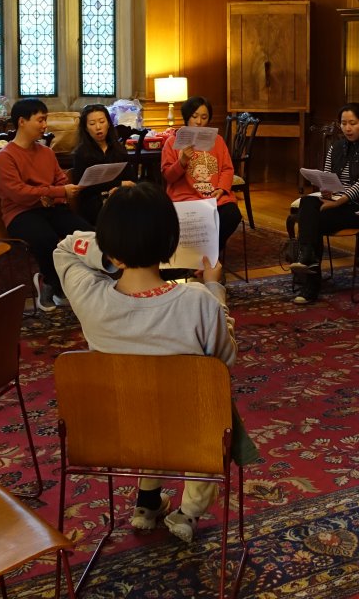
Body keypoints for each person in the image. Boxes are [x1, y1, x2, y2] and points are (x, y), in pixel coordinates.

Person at [54, 182, 256, 543]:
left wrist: (112, 253)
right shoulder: (198, 302)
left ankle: (147, 503)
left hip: (118, 431)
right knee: (209, 407)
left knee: (148, 400)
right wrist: (214, 288)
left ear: (108, 248)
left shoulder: (87, 295)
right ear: (170, 244)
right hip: (189, 431)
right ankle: (188, 514)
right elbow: (224, 362)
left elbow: (65, 247)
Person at [0, 97, 90, 312]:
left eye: (45, 119)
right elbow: (18, 194)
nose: (45, 125)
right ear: (22, 122)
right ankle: (50, 284)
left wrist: (52, 195)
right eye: (40, 120)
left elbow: (61, 181)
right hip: (20, 213)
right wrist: (52, 193)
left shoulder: (46, 152)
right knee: (46, 238)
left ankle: (79, 282)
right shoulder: (5, 156)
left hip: (51, 207)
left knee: (86, 233)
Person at [289, 102, 359, 305]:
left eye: (353, 123)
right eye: (344, 123)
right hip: (336, 201)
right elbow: (327, 175)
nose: (347, 128)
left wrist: (338, 201)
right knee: (308, 203)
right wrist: (326, 190)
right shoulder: (336, 146)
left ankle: (309, 280)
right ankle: (308, 257)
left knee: (312, 221)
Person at [160, 96, 243, 257]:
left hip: (215, 198)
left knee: (232, 215)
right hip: (186, 199)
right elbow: (168, 176)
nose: (199, 122)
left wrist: (221, 188)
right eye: (195, 116)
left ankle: (208, 256)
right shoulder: (172, 142)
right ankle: (204, 259)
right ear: (187, 117)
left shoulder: (218, 141)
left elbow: (227, 169)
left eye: (204, 117)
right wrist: (182, 162)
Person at [71, 104, 134, 225]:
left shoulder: (118, 148)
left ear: (108, 123)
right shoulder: (81, 153)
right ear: (85, 128)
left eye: (102, 121)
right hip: (93, 202)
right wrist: (118, 184)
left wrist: (119, 189)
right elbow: (81, 188)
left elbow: (131, 179)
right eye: (92, 123)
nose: (98, 127)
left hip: (120, 197)